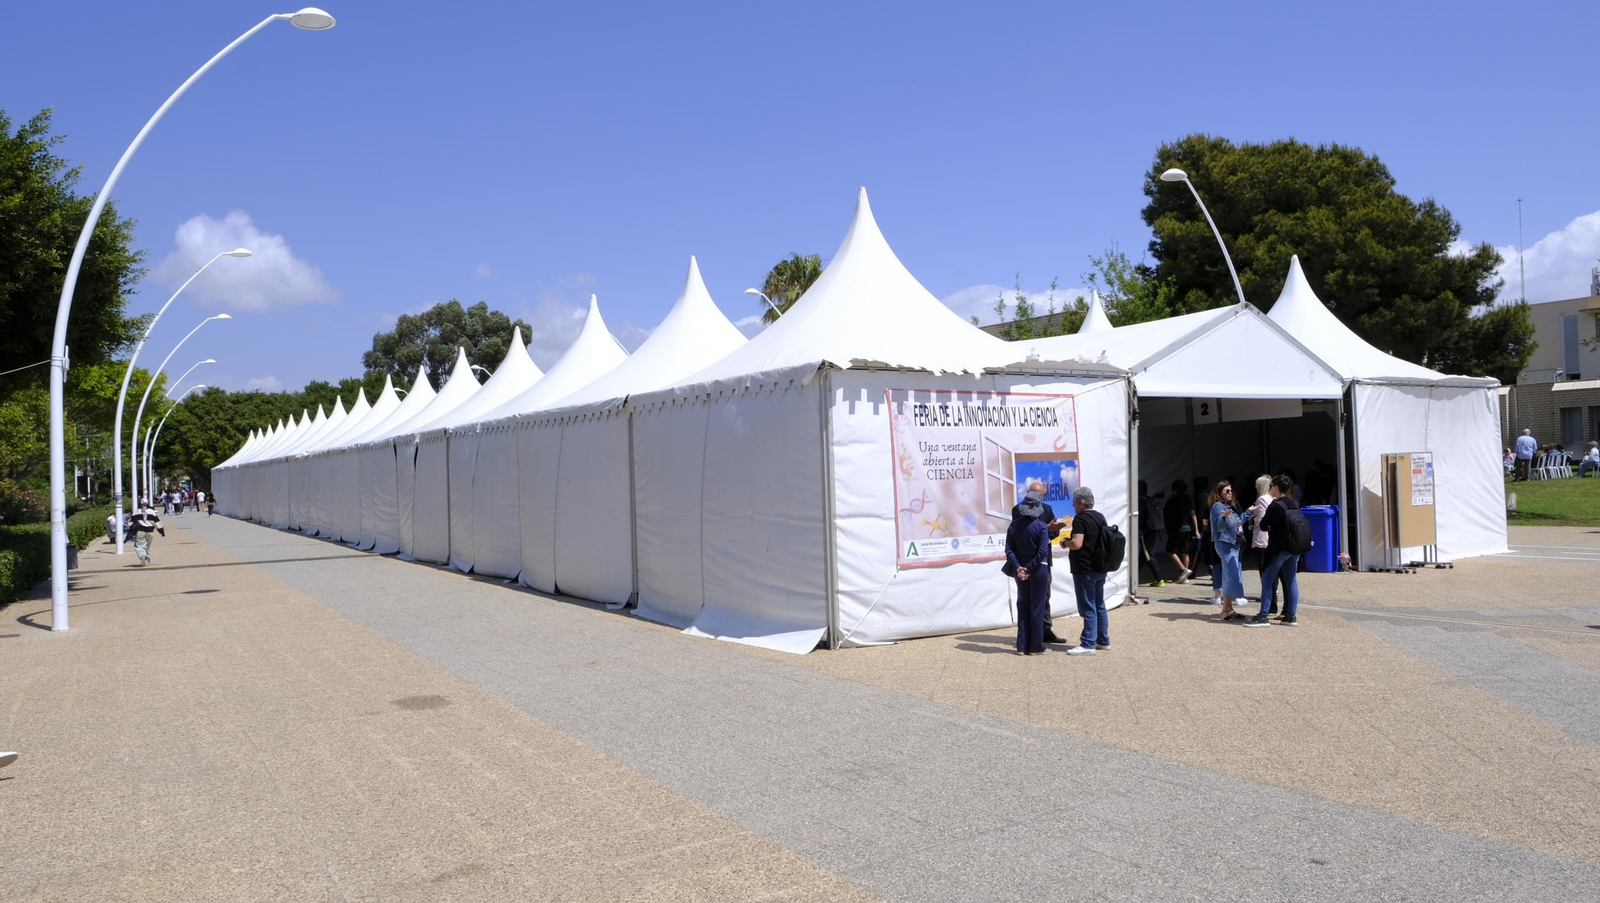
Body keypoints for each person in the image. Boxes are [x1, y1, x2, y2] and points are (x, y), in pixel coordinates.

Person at [1010, 480, 1068, 643]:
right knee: (1025, 599)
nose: (1037, 497)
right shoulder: (1018, 510)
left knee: (1044, 597)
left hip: (1043, 560)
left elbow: (1055, 533)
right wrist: (1045, 528)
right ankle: (1027, 635)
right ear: (1027, 493)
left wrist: (1048, 532)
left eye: (1040, 495)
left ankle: (1045, 631)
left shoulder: (1047, 509)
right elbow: (1021, 532)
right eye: (1034, 494)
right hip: (1024, 562)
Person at [1248, 475, 1303, 627]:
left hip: (1279, 547)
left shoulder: (1275, 505)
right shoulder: (1294, 503)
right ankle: (1291, 615)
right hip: (1294, 547)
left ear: (1277, 487)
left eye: (1272, 485)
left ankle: (1263, 616)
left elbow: (1263, 525)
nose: (1271, 488)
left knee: (1267, 579)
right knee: (1291, 580)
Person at [1064, 485, 1109, 655]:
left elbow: (1077, 543)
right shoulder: (1100, 517)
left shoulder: (1080, 519)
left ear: (1082, 503)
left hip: (1084, 568)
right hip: (1100, 567)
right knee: (1099, 605)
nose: (1073, 505)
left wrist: (1065, 542)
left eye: (1075, 502)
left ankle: (1088, 644)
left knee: (1088, 607)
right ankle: (1103, 640)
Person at [1005, 492, 1051, 655]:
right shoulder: (1041, 526)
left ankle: (1022, 646)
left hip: (1019, 571)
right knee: (1037, 607)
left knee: (1022, 606)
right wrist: (1029, 568)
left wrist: (1019, 568)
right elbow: (1042, 552)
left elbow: (1008, 550)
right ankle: (1036, 647)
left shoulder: (1014, 525)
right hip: (1038, 570)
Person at [1209, 481, 1246, 620]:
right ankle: (1225, 610)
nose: (1230, 493)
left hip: (1233, 544)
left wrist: (1249, 512)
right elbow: (1219, 527)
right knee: (1230, 576)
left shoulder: (1229, 506)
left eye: (1231, 491)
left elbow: (1238, 522)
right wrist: (1224, 517)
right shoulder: (1218, 506)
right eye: (1227, 491)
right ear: (1219, 493)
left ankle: (1229, 609)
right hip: (1226, 544)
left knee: (1232, 575)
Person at [1164, 479, 1197, 583]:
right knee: (1184, 551)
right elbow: (1193, 515)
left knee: (1170, 550)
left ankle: (1183, 570)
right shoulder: (1188, 499)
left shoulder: (1172, 500)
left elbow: (1166, 512)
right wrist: (1196, 530)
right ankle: (1184, 578)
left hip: (1176, 528)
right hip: (1187, 528)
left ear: (1175, 489)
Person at [1137, 480, 1164, 587]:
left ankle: (1159, 578)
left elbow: (1141, 517)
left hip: (1145, 530)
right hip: (1153, 529)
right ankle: (1133, 576)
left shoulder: (1140, 500)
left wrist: (1138, 529)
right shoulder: (1149, 499)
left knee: (1147, 553)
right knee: (1144, 553)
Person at [128, 501, 165, 566]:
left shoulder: (137, 512)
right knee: (147, 546)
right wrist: (161, 531)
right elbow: (157, 523)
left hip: (140, 531)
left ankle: (142, 556)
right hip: (150, 531)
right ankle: (145, 558)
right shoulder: (152, 512)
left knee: (139, 545)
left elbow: (131, 523)